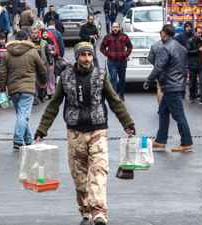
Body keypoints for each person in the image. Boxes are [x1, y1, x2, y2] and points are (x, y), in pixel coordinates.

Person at [34, 42, 135, 225]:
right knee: (80, 178)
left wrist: (127, 123)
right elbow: (54, 104)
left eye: (89, 55)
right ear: (77, 57)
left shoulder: (101, 75)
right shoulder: (65, 77)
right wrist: (42, 130)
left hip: (98, 130)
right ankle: (86, 211)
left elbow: (114, 100)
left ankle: (99, 212)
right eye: (83, 55)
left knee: (98, 171)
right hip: (75, 133)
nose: (87, 58)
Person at [143, 24, 193, 152]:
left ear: (164, 33)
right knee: (163, 112)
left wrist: (149, 79)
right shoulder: (181, 48)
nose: (160, 34)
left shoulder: (165, 48)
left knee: (179, 115)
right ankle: (160, 140)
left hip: (170, 85)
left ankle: (186, 142)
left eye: (161, 32)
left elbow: (159, 67)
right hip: (177, 84)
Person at [0, 31, 47, 150]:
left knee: (21, 114)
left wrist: (2, 88)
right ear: (26, 39)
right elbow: (42, 69)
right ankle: (18, 139)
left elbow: (2, 73)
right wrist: (43, 82)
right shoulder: (32, 52)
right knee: (23, 115)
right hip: (28, 89)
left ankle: (28, 139)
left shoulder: (7, 54)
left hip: (13, 89)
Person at [100, 22, 132, 101]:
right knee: (113, 78)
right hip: (112, 61)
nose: (115, 28)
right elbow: (102, 48)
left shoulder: (124, 36)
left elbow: (130, 47)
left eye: (117, 27)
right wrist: (108, 54)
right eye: (114, 27)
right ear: (111, 28)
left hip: (122, 61)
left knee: (122, 79)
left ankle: (121, 95)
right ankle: (114, 95)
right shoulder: (108, 37)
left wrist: (126, 54)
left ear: (119, 28)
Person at [187, 27, 202, 105]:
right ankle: (192, 97)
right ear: (195, 33)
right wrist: (198, 50)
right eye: (198, 32)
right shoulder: (190, 41)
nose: (200, 34)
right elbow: (188, 52)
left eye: (201, 33)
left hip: (201, 64)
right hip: (193, 65)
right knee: (192, 82)